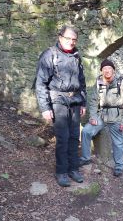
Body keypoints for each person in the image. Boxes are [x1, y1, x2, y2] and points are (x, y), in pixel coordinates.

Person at [35, 25, 86, 187]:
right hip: (58, 101)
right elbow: (40, 83)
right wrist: (45, 107)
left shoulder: (77, 56)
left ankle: (73, 169)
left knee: (73, 137)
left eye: (74, 39)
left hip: (75, 102)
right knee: (63, 139)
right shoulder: (49, 55)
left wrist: (83, 102)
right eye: (68, 38)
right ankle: (61, 171)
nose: (71, 42)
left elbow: (82, 82)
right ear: (60, 37)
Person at [79, 59, 123, 177]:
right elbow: (92, 101)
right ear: (102, 70)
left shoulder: (121, 83)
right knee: (86, 131)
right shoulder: (99, 82)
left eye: (109, 68)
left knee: (118, 142)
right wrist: (93, 116)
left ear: (113, 70)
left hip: (117, 116)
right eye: (104, 69)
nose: (107, 71)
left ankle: (119, 166)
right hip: (102, 115)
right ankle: (86, 157)